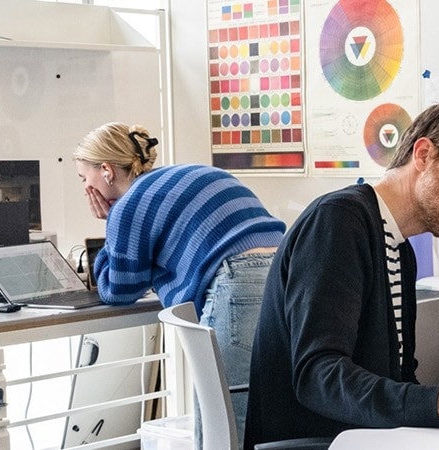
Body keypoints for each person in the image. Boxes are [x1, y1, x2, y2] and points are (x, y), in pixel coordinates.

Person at [245, 100, 439, 447]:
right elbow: (318, 376)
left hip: (367, 438)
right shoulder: (338, 222)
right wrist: (436, 404)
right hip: (320, 442)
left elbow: (398, 378)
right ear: (423, 155)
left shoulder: (398, 246)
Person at [73, 122, 284, 442]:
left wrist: (109, 222)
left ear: (106, 170)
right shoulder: (190, 173)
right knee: (271, 420)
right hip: (286, 278)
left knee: (225, 429)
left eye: (83, 177)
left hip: (239, 284)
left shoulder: (129, 205)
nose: (84, 187)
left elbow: (118, 291)